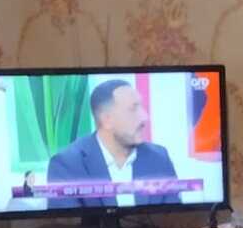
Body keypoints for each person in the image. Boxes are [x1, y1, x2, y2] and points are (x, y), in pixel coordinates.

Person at [46, 79, 180, 208]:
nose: (144, 117)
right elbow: (68, 221)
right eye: (133, 109)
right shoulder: (67, 165)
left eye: (141, 107)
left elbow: (173, 217)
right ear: (107, 120)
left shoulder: (159, 158)